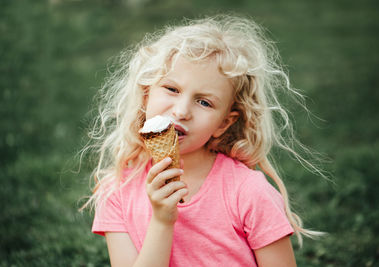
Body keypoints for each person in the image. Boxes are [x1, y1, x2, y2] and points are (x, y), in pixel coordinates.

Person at [82, 14, 323, 266]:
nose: (182, 111)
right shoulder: (118, 192)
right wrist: (162, 220)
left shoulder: (248, 192)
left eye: (204, 102)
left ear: (223, 123)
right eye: (172, 89)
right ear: (145, 95)